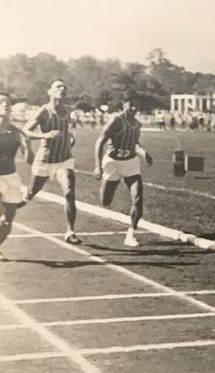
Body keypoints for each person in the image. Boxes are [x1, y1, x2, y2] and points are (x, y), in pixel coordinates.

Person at [22, 79, 81, 243]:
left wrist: (70, 138)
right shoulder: (44, 111)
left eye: (64, 87)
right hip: (45, 160)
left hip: (64, 159)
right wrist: (45, 135)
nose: (62, 89)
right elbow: (26, 131)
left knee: (69, 191)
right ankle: (9, 209)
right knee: (31, 193)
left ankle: (70, 232)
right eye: (58, 86)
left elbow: (67, 131)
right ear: (50, 91)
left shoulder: (67, 111)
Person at [94, 95, 153, 247]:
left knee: (138, 197)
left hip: (131, 163)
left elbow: (135, 143)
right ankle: (105, 186)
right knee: (106, 201)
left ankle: (131, 234)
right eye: (131, 104)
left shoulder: (137, 124)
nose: (134, 108)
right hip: (113, 162)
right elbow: (100, 141)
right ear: (124, 104)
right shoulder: (116, 120)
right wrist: (97, 165)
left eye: (136, 105)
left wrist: (144, 153)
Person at [0, 92, 32, 260]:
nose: (5, 105)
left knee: (7, 221)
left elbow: (29, 160)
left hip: (11, 177)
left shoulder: (17, 132)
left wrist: (28, 145)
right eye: (1, 102)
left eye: (8, 103)